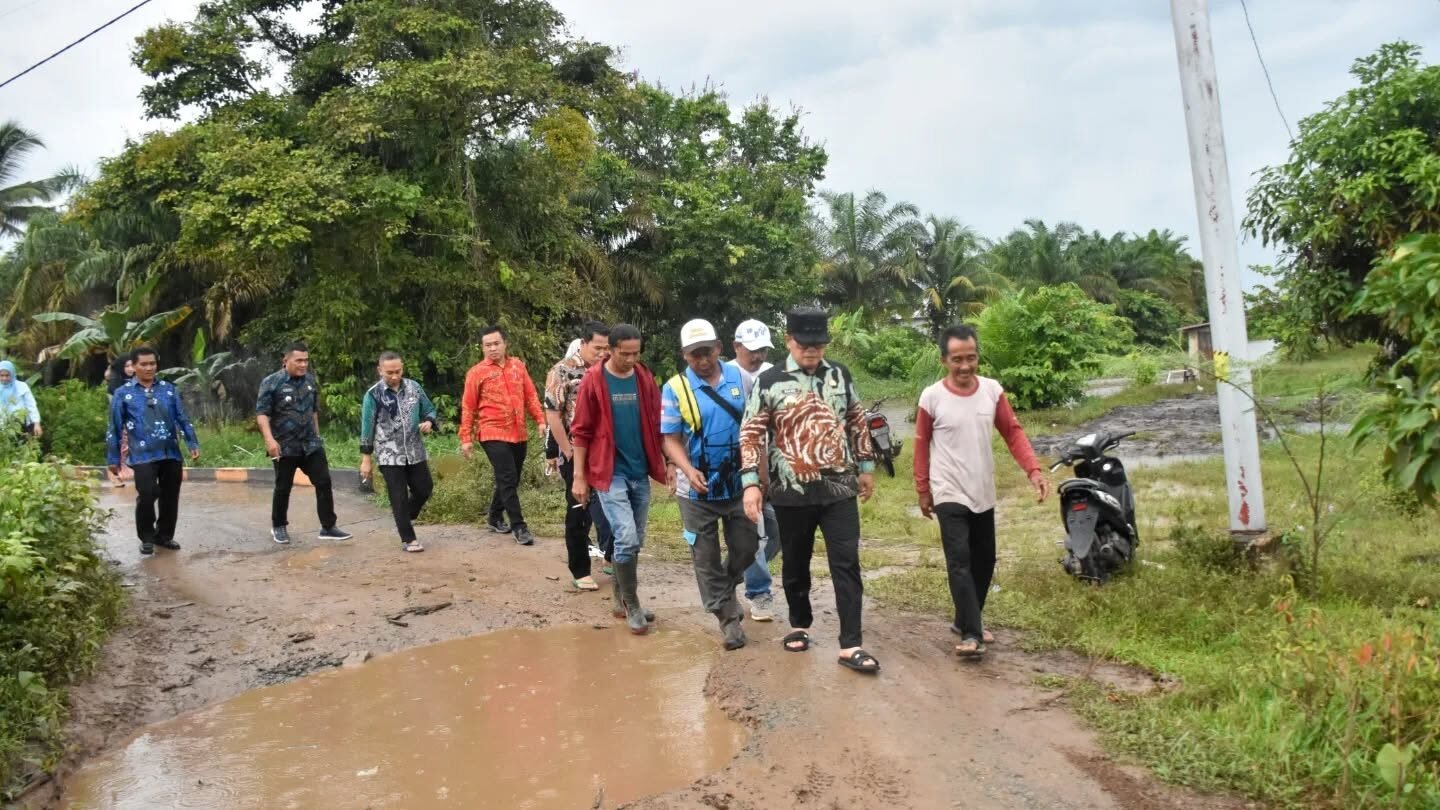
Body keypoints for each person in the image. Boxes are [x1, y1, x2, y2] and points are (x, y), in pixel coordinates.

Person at [739, 307, 881, 674]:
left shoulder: (840, 374)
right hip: (791, 493)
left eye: (818, 344)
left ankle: (851, 644)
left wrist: (865, 466)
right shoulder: (769, 381)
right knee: (796, 562)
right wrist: (751, 483)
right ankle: (799, 625)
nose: (812, 350)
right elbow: (751, 432)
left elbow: (856, 418)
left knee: (846, 562)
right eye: (805, 344)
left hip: (839, 489)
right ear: (789, 341)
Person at [914, 325, 1049, 658]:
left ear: (977, 357)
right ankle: (972, 634)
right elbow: (921, 446)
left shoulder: (992, 391)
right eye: (957, 359)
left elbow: (1013, 432)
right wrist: (923, 489)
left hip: (982, 489)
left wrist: (1033, 470)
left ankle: (964, 620)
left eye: (971, 358)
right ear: (944, 359)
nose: (965, 366)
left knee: (984, 560)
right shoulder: (932, 397)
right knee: (959, 561)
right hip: (948, 490)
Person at [662, 319, 758, 650]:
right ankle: (728, 620)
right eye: (694, 355)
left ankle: (726, 586)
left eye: (707, 352)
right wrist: (687, 469)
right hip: (697, 492)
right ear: (684, 355)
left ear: (719, 347)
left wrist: (759, 477)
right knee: (705, 558)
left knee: (747, 547)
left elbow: (756, 425)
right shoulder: (675, 388)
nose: (702, 361)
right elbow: (671, 439)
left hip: (738, 486)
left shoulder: (741, 378)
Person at [570, 323, 666, 634]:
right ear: (610, 350)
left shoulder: (644, 377)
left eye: (636, 353)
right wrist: (579, 477)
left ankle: (619, 599)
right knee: (625, 536)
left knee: (634, 540)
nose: (631, 359)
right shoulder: (594, 381)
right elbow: (581, 431)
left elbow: (657, 421)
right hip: (609, 472)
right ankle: (633, 603)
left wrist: (669, 463)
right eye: (625, 354)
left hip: (639, 471)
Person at [105, 347, 200, 555]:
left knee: (170, 495)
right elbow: (114, 427)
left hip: (170, 452)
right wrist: (113, 458)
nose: (149, 368)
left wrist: (192, 443)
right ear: (133, 367)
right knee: (147, 494)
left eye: (152, 364)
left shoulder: (168, 389)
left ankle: (164, 535)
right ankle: (146, 536)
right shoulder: (123, 394)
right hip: (142, 454)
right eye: (144, 364)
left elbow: (182, 417)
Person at [256, 342, 351, 545]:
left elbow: (313, 411)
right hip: (284, 445)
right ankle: (279, 526)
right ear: (286, 360)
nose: (303, 364)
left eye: (306, 360)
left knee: (323, 481)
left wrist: (317, 436)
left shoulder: (310, 380)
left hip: (310, 444)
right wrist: (269, 440)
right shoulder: (271, 382)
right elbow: (262, 414)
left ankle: (328, 527)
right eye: (299, 360)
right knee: (283, 487)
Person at [544, 322, 615, 590]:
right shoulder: (561, 371)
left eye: (607, 348)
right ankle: (580, 569)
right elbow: (553, 415)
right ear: (583, 343)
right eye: (597, 348)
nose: (602, 353)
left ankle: (613, 557)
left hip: (605, 450)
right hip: (574, 449)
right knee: (579, 507)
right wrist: (567, 451)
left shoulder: (609, 369)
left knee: (611, 503)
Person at [460, 325, 545, 546]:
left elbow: (530, 395)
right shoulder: (476, 373)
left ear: (505, 344)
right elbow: (468, 407)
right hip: (491, 431)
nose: (492, 348)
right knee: (507, 477)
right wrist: (466, 438)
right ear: (482, 348)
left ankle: (495, 515)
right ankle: (519, 526)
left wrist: (540, 420)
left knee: (511, 477)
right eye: (488, 345)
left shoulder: (518, 366)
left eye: (496, 343)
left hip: (518, 431)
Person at [728, 319, 782, 621]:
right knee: (755, 530)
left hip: (775, 467)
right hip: (741, 467)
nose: (758, 356)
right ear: (737, 347)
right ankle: (759, 593)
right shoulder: (725, 377)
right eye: (752, 350)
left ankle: (736, 568)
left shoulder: (775, 375)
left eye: (762, 349)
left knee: (777, 532)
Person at [360, 351, 440, 553]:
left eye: (397, 371)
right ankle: (409, 538)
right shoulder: (373, 395)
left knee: (425, 488)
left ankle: (405, 515)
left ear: (402, 368)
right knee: (398, 496)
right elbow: (367, 428)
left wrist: (429, 422)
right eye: (389, 373)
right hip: (389, 452)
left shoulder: (414, 387)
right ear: (380, 370)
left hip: (415, 449)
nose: (394, 376)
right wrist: (366, 459)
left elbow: (430, 409)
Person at [105, 356, 135, 487]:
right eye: (126, 366)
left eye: (131, 365)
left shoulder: (137, 381)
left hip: (135, 421)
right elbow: (114, 408)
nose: (130, 369)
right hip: (121, 422)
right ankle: (113, 474)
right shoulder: (115, 386)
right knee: (119, 448)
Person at [0, 360, 41, 441]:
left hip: (22, 425)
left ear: (12, 374)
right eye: (1, 375)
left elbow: (31, 405)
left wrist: (36, 423)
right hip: (3, 426)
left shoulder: (22, 386)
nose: (4, 378)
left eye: (7, 375)